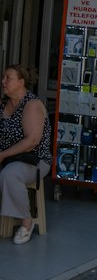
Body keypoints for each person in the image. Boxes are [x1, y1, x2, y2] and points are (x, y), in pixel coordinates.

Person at [0, 64, 52, 245]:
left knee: (10, 174)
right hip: (7, 158)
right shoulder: (3, 104)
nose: (3, 82)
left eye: (8, 78)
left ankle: (26, 221)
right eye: (4, 78)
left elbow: (32, 141)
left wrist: (2, 155)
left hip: (34, 161)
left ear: (21, 82)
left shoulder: (32, 104)